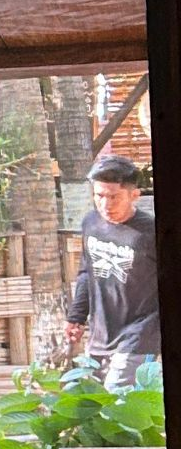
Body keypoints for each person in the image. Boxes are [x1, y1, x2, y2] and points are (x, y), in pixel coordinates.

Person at [65, 153, 161, 390]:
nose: (106, 205)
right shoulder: (91, 223)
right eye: (100, 196)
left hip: (141, 336)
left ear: (134, 195)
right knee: (96, 402)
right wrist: (76, 317)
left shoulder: (151, 232)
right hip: (101, 335)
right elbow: (86, 272)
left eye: (114, 197)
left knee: (117, 397)